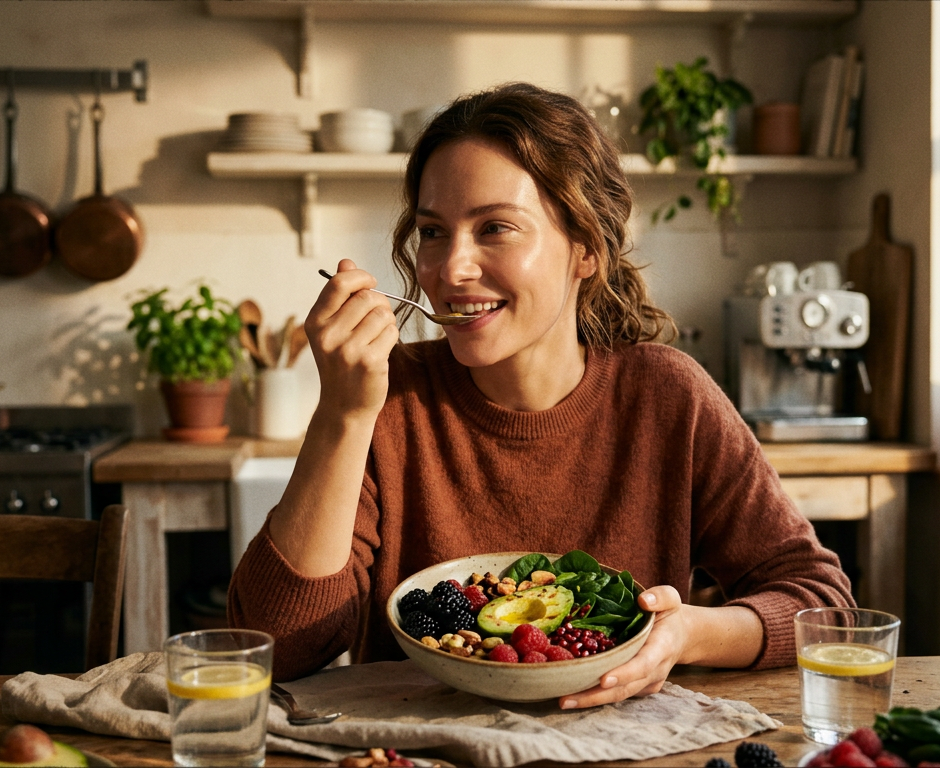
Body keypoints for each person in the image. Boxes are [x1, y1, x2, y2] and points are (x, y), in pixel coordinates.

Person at [228, 82, 854, 709]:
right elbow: (273, 646)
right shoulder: (388, 400)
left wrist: (687, 632)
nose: (451, 269)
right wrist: (343, 414)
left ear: (586, 249)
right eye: (433, 232)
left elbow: (822, 604)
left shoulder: (667, 395)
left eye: (495, 227)